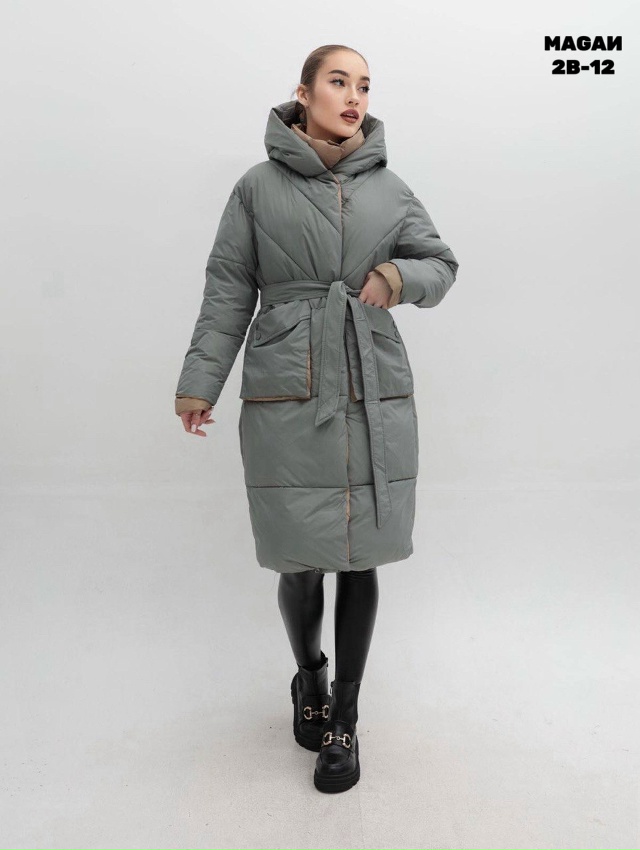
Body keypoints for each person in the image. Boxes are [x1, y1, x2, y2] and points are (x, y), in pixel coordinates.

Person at [174, 45, 459, 793]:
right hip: (287, 387)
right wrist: (201, 381)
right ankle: (310, 677)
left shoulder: (390, 188)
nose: (354, 96)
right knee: (298, 557)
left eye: (364, 85)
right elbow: (228, 287)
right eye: (339, 81)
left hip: (370, 386)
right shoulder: (256, 188)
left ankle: (346, 719)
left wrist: (396, 276)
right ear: (303, 93)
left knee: (362, 555)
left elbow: (441, 264)